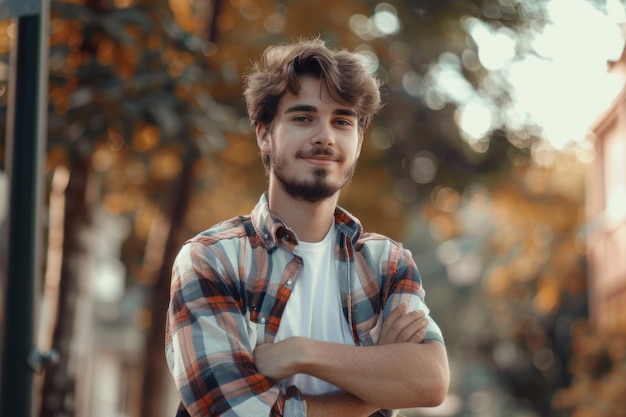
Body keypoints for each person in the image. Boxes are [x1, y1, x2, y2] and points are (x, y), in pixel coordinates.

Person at [165, 37, 449, 417]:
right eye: (303, 118)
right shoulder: (213, 259)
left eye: (342, 121)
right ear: (264, 134)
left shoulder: (387, 264)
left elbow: (429, 381)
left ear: (359, 140)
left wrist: (304, 353)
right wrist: (374, 391)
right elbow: (234, 412)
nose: (324, 136)